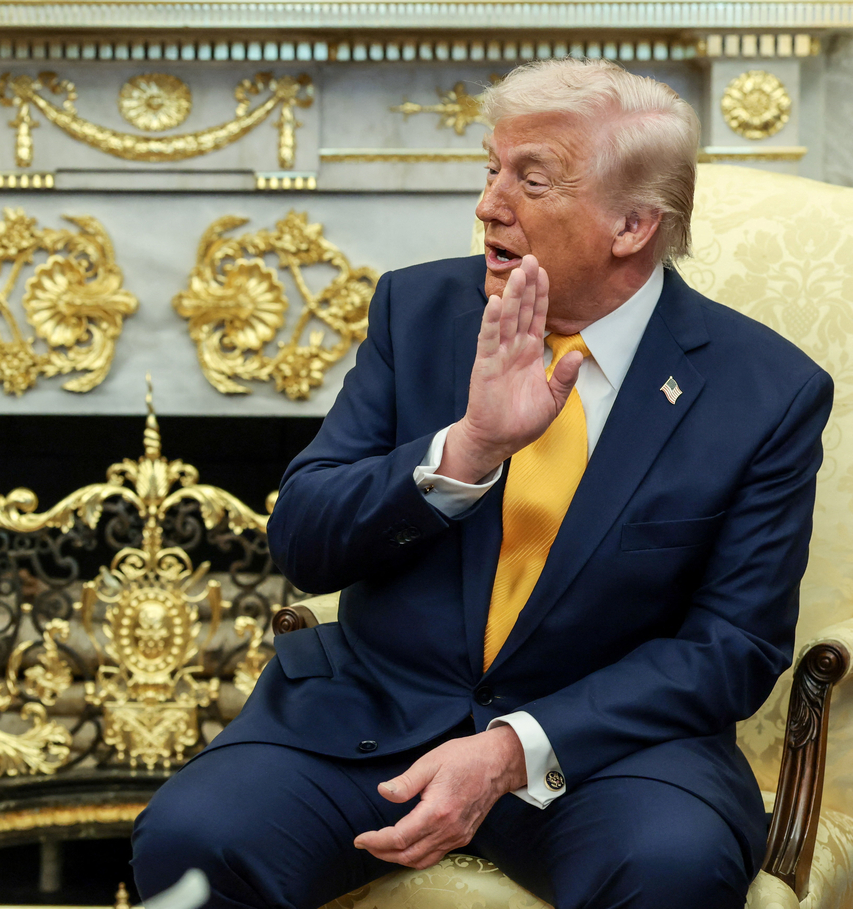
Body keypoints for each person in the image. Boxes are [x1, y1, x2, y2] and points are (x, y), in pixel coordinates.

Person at [131, 58, 834, 909]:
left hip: (610, 754)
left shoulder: (765, 390)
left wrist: (513, 746)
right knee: (192, 839)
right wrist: (465, 451)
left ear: (632, 225)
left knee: (669, 870)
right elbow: (303, 540)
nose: (489, 205)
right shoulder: (416, 313)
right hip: (372, 718)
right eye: (491, 169)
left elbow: (734, 646)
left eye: (530, 180)